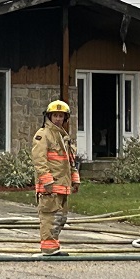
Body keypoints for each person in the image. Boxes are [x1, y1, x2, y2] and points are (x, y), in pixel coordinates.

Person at [31, 100, 80, 256]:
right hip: (50, 187)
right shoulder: (43, 135)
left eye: (61, 116)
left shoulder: (63, 137)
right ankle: (49, 249)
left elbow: (70, 161)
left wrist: (75, 178)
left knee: (59, 218)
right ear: (49, 116)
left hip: (62, 185)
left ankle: (53, 247)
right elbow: (39, 160)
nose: (58, 119)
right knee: (49, 218)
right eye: (55, 115)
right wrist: (47, 181)